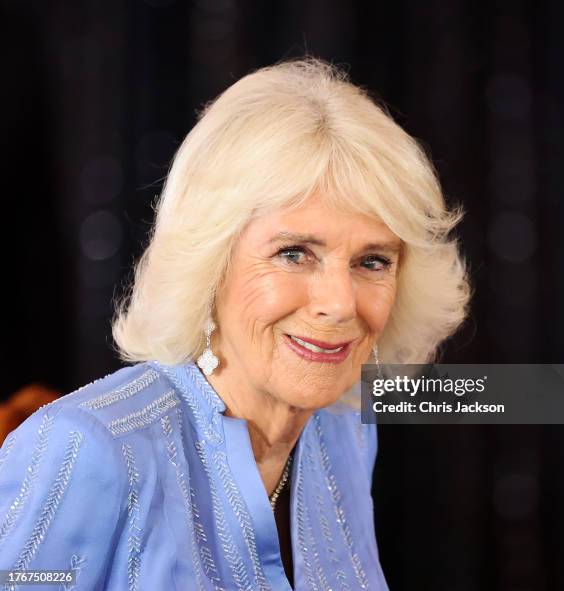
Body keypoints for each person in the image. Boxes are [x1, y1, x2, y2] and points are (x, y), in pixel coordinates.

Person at [0, 57, 471, 590]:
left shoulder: (344, 429)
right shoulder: (91, 448)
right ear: (211, 261)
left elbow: (549, 394)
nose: (340, 303)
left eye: (372, 261)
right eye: (294, 253)